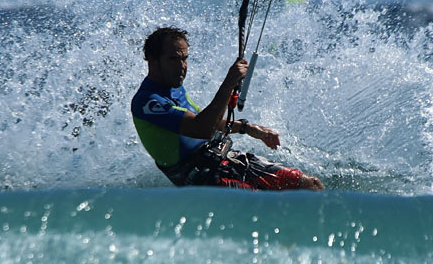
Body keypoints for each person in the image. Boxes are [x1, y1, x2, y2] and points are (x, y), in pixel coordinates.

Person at [131, 26, 324, 191]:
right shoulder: (148, 102)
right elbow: (202, 128)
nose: (182, 66)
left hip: (223, 157)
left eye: (185, 58)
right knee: (268, 204)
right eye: (174, 59)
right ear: (152, 59)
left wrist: (248, 128)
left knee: (310, 185)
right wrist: (230, 82)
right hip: (203, 178)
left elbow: (208, 121)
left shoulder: (174, 87)